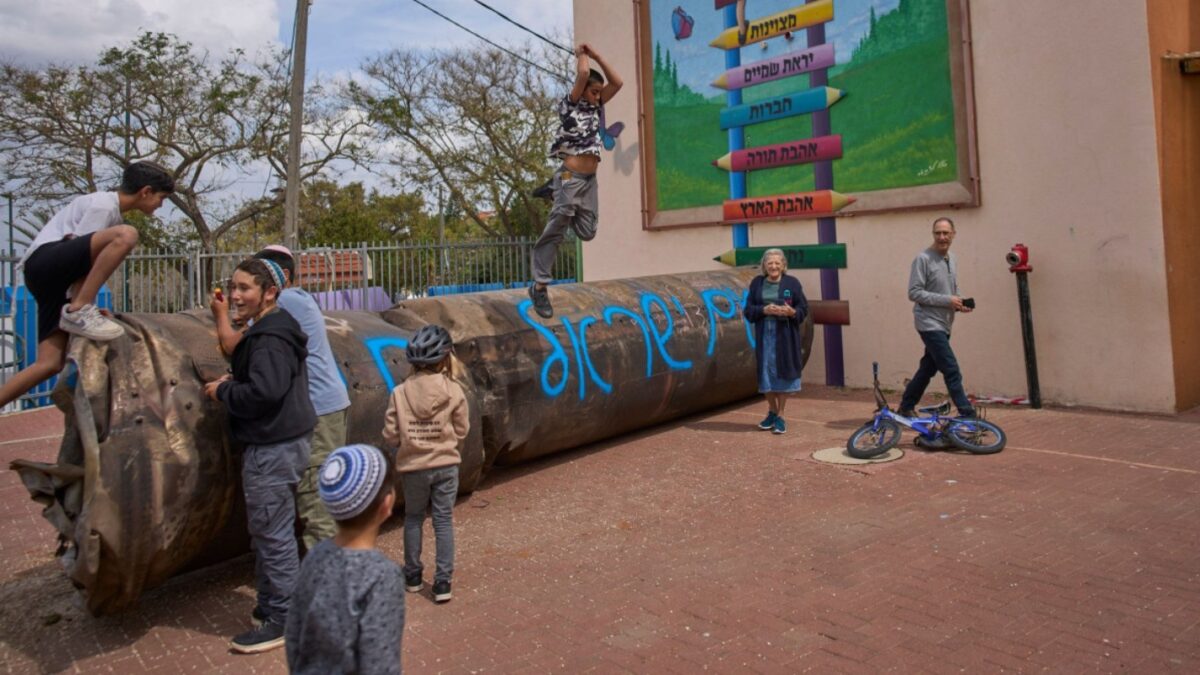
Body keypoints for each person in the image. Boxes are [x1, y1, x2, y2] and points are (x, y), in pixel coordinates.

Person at [203, 258, 316, 653]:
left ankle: (285, 618)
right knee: (271, 531)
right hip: (286, 442)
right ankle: (271, 605)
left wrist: (225, 392)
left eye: (245, 288)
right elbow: (271, 380)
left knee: (273, 533)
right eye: (233, 287)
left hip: (273, 447)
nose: (235, 295)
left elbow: (265, 392)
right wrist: (238, 378)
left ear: (269, 293)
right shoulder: (272, 329)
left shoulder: (269, 338)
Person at [0, 162, 174, 409]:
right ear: (145, 191)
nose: (160, 205)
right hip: (45, 262)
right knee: (127, 235)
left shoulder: (112, 212)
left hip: (52, 283)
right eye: (161, 197)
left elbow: (83, 261)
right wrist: (82, 306)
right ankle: (79, 310)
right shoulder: (104, 205)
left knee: (49, 364)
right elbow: (83, 259)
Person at [211, 245, 351, 552]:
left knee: (317, 501)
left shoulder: (284, 302)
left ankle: (326, 587)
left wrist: (221, 313)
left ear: (277, 282)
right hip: (327, 403)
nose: (243, 291)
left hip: (319, 408)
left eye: (255, 281)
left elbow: (233, 345)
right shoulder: (299, 298)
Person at [285, 444, 405, 675]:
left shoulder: (315, 556)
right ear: (387, 504)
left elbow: (294, 634)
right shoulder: (381, 575)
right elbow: (379, 662)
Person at [527, 43, 623, 319]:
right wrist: (583, 54)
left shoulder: (596, 105)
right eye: (593, 92)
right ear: (583, 91)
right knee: (558, 225)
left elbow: (618, 82)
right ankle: (540, 285)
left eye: (598, 94)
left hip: (589, 181)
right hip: (570, 176)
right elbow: (582, 77)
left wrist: (599, 56)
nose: (596, 98)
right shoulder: (570, 104)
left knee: (588, 232)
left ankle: (554, 191)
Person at [382, 324, 469, 604]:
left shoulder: (398, 393)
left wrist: (410, 438)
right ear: (445, 358)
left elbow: (391, 435)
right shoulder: (454, 391)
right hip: (445, 465)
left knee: (414, 518)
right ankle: (443, 582)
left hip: (414, 467)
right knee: (443, 521)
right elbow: (463, 429)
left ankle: (413, 576)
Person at [897, 217, 978, 419]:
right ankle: (966, 412)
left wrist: (958, 304)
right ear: (933, 234)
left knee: (928, 369)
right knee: (951, 369)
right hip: (928, 323)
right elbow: (914, 293)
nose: (942, 237)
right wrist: (947, 300)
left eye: (945, 233)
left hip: (944, 323)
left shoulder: (952, 258)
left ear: (953, 234)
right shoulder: (923, 259)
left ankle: (906, 406)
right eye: (937, 233)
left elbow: (951, 289)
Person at [743, 248, 808, 435]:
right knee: (765, 374)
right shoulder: (757, 283)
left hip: (785, 335)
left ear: (783, 265)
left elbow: (803, 309)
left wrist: (792, 312)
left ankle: (781, 415)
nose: (773, 266)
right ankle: (771, 411)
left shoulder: (792, 283)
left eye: (777, 263)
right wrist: (764, 310)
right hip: (765, 333)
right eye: (769, 263)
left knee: (784, 372)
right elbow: (749, 310)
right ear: (764, 265)